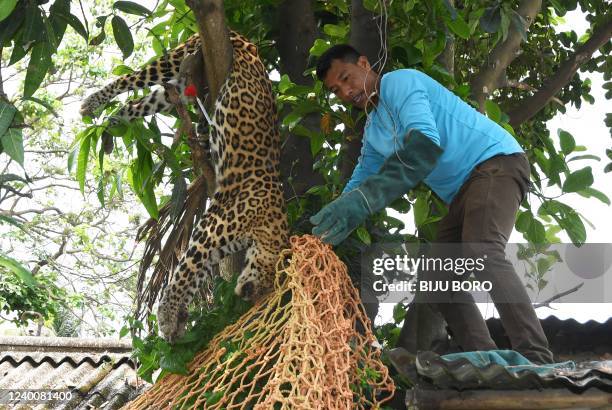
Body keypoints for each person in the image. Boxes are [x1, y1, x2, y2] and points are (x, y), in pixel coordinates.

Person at [310, 44, 554, 364]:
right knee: (439, 278)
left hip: (495, 163)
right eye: (335, 89)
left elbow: (425, 144)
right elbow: (360, 183)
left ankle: (535, 355)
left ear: (365, 63)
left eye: (346, 77)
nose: (345, 91)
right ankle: (488, 360)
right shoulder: (375, 131)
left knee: (482, 249)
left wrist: (364, 201)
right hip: (464, 192)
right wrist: (323, 224)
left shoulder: (400, 82)